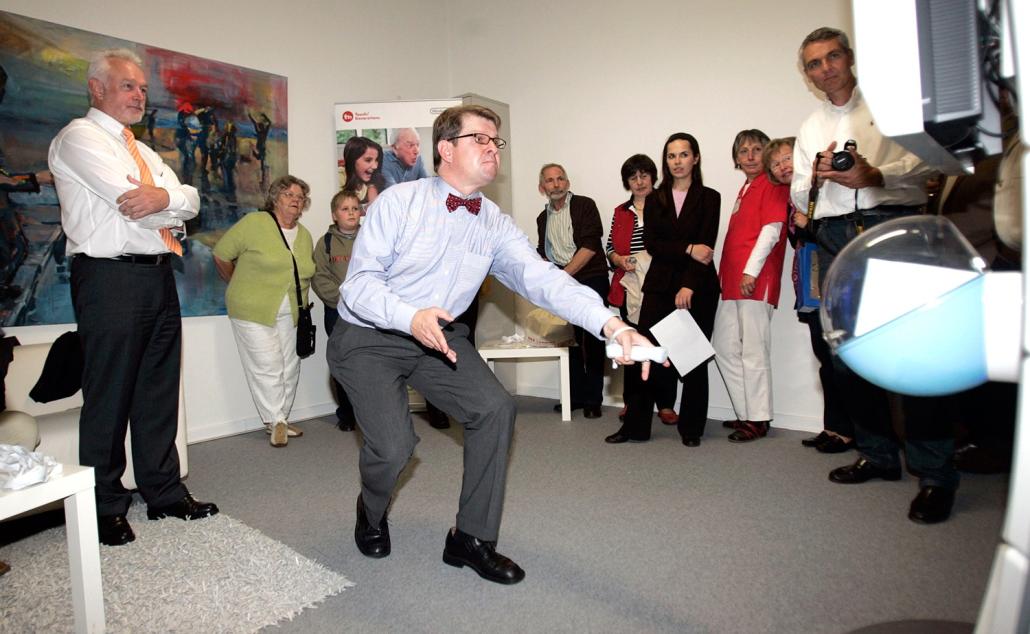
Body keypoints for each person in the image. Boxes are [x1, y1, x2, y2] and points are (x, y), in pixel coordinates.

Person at [328, 104, 658, 585]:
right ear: (445, 149)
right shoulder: (398, 203)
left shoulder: (494, 223)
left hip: (439, 336)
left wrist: (611, 325)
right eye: (479, 138)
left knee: (495, 408)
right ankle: (371, 509)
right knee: (394, 447)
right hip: (370, 334)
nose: (492, 148)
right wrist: (409, 315)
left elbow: (543, 279)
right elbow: (356, 287)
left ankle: (471, 538)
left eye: (495, 141)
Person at [47, 48, 218, 546]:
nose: (139, 95)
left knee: (158, 389)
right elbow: (131, 203)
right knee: (109, 394)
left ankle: (164, 492)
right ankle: (103, 506)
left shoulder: (142, 152)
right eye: (128, 86)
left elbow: (190, 201)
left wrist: (167, 198)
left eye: (142, 88)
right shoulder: (78, 138)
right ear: (97, 88)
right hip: (109, 278)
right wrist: (170, 202)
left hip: (159, 274)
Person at [791, 27, 954, 524]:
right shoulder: (809, 127)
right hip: (835, 235)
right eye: (815, 64)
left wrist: (874, 175)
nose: (826, 69)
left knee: (913, 352)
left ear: (849, 58)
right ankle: (879, 455)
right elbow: (799, 197)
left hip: (894, 227)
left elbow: (929, 164)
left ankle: (934, 474)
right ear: (808, 74)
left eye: (832, 57)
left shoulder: (891, 111)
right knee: (847, 355)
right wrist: (817, 176)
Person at [606, 133, 720, 447]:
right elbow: (655, 244)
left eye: (684, 154)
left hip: (698, 288)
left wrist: (688, 284)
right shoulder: (656, 199)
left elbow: (706, 249)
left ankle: (693, 429)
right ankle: (635, 427)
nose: (678, 161)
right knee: (643, 352)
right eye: (671, 156)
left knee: (693, 359)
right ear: (665, 161)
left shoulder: (711, 197)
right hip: (658, 286)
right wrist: (688, 247)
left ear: (695, 158)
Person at [213, 175, 315, 448]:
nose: (295, 200)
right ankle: (276, 421)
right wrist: (237, 283)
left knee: (290, 367)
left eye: (300, 197)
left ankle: (280, 417)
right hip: (252, 309)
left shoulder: (304, 235)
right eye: (289, 195)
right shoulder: (254, 223)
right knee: (267, 365)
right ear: (275, 198)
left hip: (293, 312)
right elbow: (221, 254)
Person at [772, 137, 855, 454]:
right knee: (825, 360)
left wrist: (809, 224)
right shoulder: (794, 199)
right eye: (776, 163)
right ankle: (833, 427)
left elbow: (833, 237)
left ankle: (850, 432)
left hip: (833, 284)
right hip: (809, 286)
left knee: (842, 362)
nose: (783, 166)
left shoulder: (824, 193)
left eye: (786, 158)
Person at [712, 130, 788, 443]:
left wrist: (751, 272)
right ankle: (746, 413)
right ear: (736, 158)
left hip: (755, 280)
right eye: (743, 151)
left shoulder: (771, 185)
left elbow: (771, 232)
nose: (751, 156)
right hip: (731, 282)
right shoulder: (745, 187)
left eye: (757, 149)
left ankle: (758, 418)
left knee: (754, 352)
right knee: (724, 348)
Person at [605, 154, 677, 425]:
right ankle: (632, 404)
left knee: (663, 343)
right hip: (630, 287)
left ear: (653, 177)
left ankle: (666, 405)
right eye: (633, 177)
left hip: (661, 286)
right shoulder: (621, 212)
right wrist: (619, 260)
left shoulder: (667, 203)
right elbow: (610, 247)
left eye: (644, 175)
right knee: (631, 347)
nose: (639, 181)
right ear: (627, 182)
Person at [535, 164, 609, 419]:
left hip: (590, 277)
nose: (555, 184)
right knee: (570, 339)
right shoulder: (542, 218)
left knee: (593, 338)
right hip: (562, 282)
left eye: (560, 179)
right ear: (542, 187)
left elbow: (589, 247)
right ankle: (575, 396)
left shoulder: (585, 205)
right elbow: (544, 252)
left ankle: (594, 399)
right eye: (550, 181)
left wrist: (562, 277)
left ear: (567, 183)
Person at [312, 189, 361, 432]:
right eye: (345, 209)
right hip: (338, 312)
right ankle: (347, 414)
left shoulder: (372, 238)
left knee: (370, 364)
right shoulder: (326, 243)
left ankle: (370, 413)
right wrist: (342, 300)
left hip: (369, 314)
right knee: (342, 363)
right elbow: (320, 277)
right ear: (334, 215)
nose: (351, 213)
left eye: (355, 208)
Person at [341, 136, 385, 210]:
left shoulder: (371, 181)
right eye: (368, 160)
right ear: (352, 160)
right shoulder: (339, 177)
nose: (375, 166)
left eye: (376, 160)